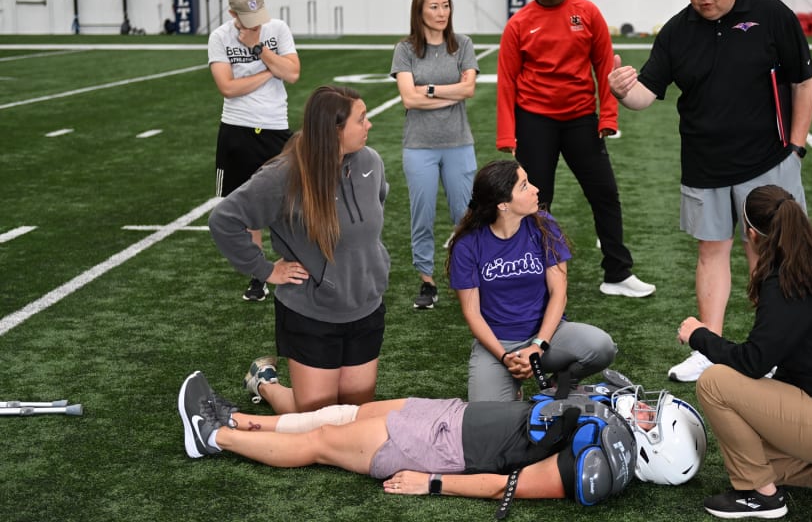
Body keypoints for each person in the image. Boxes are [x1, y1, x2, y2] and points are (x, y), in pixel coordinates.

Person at [608, 0, 812, 382]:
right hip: (703, 164)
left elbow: (803, 81)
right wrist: (621, 90)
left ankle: (771, 348)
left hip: (768, 161)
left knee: (768, 255)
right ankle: (708, 349)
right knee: (711, 252)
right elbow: (646, 95)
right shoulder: (677, 32)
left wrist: (796, 148)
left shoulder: (771, 14)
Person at [677, 185, 812, 519]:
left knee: (714, 382)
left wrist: (700, 335)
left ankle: (762, 497)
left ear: (751, 234)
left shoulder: (786, 281)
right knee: (747, 449)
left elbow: (753, 362)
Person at [177, 370, 643, 507]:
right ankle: (237, 419)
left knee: (320, 440)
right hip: (450, 416)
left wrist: (432, 481)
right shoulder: (602, 423)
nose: (645, 413)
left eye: (649, 420)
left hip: (436, 447)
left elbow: (508, 486)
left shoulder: (594, 462)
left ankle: (212, 437)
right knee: (345, 414)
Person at [208, 86, 390, 414]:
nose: (369, 125)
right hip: (312, 313)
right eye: (361, 119)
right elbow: (224, 220)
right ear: (334, 131)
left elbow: (377, 203)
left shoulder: (371, 162)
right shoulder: (284, 175)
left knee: (354, 417)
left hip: (365, 306)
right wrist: (265, 270)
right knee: (318, 421)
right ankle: (265, 382)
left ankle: (269, 381)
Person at [496, 0, 655, 299]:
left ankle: (617, 273)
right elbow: (507, 81)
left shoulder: (587, 12)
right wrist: (507, 134)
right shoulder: (520, 24)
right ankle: (532, 272)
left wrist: (608, 115)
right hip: (535, 121)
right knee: (536, 201)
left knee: (605, 194)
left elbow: (605, 67)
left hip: (581, 118)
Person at [446, 160, 617, 402]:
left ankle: (562, 379)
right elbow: (472, 313)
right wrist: (505, 357)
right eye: (524, 186)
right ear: (503, 204)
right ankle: (513, 385)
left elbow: (559, 293)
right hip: (498, 345)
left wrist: (538, 346)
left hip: (547, 336)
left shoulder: (544, 225)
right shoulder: (468, 245)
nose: (536, 189)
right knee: (485, 416)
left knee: (602, 347)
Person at [208, 0, 301, 302]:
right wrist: (269, 71)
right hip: (236, 129)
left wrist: (260, 49)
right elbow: (228, 88)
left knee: (289, 202)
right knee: (243, 207)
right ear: (232, 12)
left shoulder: (277, 29)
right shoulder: (220, 36)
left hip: (275, 128)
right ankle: (258, 274)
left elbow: (293, 74)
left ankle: (296, 263)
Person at [390, 0, 479, 310]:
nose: (442, 12)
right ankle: (427, 281)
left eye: (446, 5)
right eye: (434, 6)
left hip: (458, 143)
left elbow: (468, 90)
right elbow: (407, 98)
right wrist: (448, 90)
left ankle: (467, 277)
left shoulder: (463, 44)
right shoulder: (406, 50)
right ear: (419, 10)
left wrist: (428, 90)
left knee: (466, 216)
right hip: (419, 147)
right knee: (422, 215)